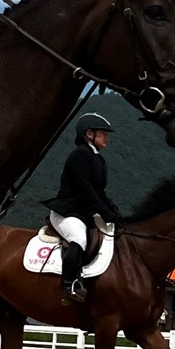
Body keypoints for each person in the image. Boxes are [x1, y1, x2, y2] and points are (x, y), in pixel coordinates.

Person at [43, 112, 121, 303]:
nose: (106, 137)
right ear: (89, 134)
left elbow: (99, 191)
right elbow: (84, 188)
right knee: (79, 239)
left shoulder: (98, 159)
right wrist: (104, 211)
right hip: (67, 212)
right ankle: (68, 287)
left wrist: (113, 210)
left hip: (84, 213)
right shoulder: (79, 155)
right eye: (102, 133)